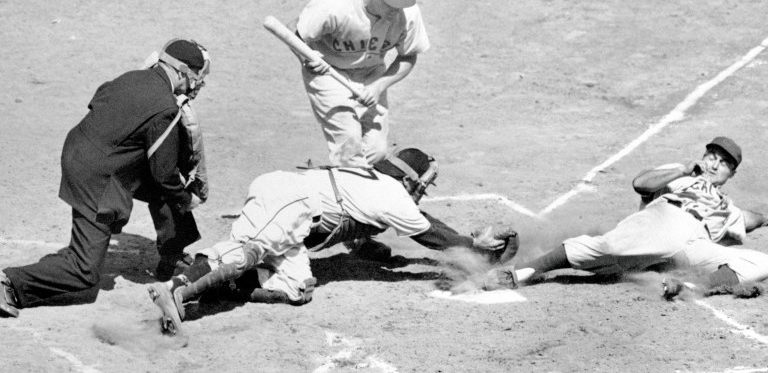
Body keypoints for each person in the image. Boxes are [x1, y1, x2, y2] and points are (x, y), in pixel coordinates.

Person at [147, 148, 518, 336]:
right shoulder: (391, 196)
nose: (422, 190)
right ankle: (177, 288)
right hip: (290, 201)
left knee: (296, 288)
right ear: (409, 180)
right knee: (251, 248)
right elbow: (430, 234)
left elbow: (424, 222)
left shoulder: (378, 183)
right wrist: (474, 249)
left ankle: (210, 281)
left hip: (295, 209)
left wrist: (467, 240)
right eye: (422, 183)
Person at [0, 39, 212, 318]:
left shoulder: (132, 77)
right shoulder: (166, 109)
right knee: (85, 273)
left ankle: (171, 257)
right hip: (96, 178)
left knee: (165, 187)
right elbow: (164, 175)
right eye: (198, 77)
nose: (199, 84)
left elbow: (97, 100)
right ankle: (10, 282)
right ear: (183, 72)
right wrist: (187, 199)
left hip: (80, 148)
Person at [483, 136, 768, 298]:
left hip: (695, 244)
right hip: (664, 221)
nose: (715, 164)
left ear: (731, 174)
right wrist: (681, 170)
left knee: (761, 261)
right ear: (703, 157)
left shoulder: (728, 207)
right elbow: (641, 184)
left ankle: (691, 287)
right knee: (605, 249)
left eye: (724, 163)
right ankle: (520, 274)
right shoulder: (681, 175)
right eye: (712, 156)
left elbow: (753, 218)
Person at [289, 0, 430, 168]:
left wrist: (378, 86)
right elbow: (294, 29)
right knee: (349, 149)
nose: (396, 10)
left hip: (372, 74)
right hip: (329, 73)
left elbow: (408, 56)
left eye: (400, 3)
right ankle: (344, 190)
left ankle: (340, 180)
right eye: (391, 3)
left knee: (376, 152)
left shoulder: (408, 13)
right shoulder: (334, 3)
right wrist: (307, 58)